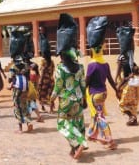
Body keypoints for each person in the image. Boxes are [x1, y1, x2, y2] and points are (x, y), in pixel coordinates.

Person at [50, 13, 88, 159]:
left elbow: (58, 87)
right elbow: (83, 84)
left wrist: (51, 99)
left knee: (62, 124)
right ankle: (75, 148)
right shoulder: (80, 67)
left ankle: (79, 143)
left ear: (62, 55)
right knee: (77, 122)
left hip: (66, 100)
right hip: (78, 99)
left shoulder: (60, 69)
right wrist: (83, 98)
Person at [85, 16, 119, 150]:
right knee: (95, 114)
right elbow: (111, 80)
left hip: (95, 95)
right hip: (103, 93)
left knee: (100, 116)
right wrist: (117, 91)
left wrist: (82, 95)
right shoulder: (105, 64)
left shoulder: (92, 65)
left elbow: (86, 83)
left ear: (92, 51)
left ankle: (110, 140)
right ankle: (91, 134)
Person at [115, 26, 139, 125]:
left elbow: (118, 71)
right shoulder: (131, 55)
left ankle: (131, 117)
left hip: (127, 82)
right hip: (133, 83)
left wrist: (116, 84)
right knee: (132, 102)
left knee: (122, 103)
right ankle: (133, 119)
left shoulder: (122, 56)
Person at [38, 26, 55, 113]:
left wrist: (40, 81)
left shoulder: (43, 61)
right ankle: (51, 109)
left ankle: (43, 108)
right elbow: (52, 71)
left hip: (45, 80)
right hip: (51, 80)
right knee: (50, 94)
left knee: (41, 94)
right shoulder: (52, 61)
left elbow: (42, 71)